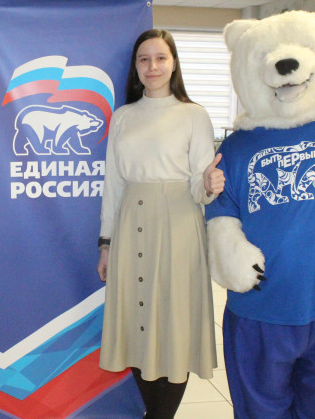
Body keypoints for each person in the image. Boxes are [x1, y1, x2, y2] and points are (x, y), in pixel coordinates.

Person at [96, 29, 225, 419]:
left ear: (173, 63)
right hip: (130, 225)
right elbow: (113, 185)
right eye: (144, 59)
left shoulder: (193, 114)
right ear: (135, 67)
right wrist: (106, 243)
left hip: (178, 227)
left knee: (173, 329)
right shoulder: (123, 117)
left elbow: (199, 184)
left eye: (160, 58)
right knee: (137, 325)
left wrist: (209, 184)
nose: (152, 66)